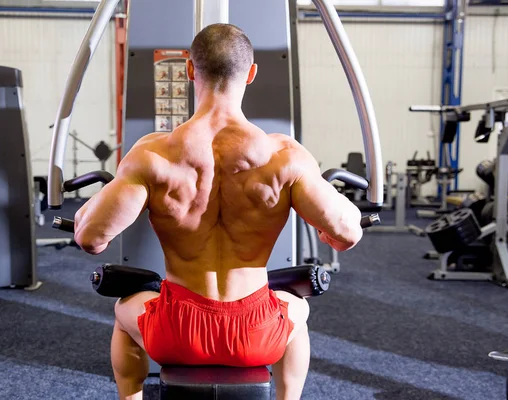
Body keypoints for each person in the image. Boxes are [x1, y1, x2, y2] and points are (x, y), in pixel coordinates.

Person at [74, 23, 363, 400]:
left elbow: (91, 239)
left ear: (190, 70)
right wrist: (327, 229)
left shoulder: (153, 155)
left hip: (177, 334)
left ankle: (130, 396)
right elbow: (348, 234)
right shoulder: (284, 156)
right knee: (297, 309)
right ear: (252, 74)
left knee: (124, 308)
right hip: (256, 333)